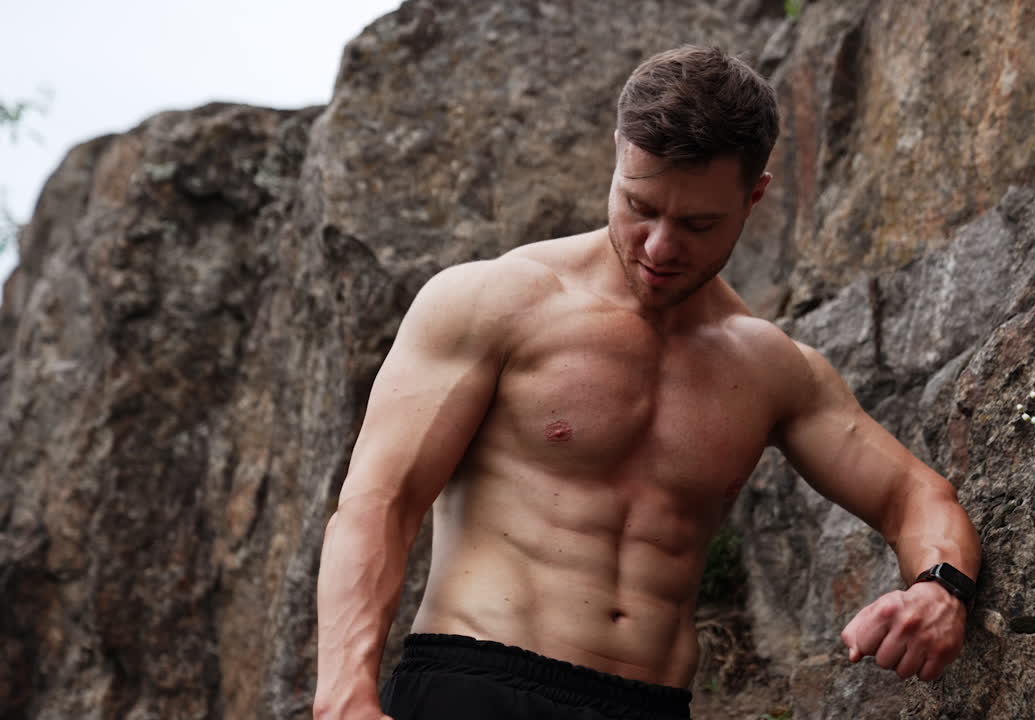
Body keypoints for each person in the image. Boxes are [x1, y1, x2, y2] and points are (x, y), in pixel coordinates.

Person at [312, 45, 981, 720]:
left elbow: (915, 495)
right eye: (640, 206)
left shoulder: (771, 369)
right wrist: (344, 693)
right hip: (476, 685)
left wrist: (940, 588)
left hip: (647, 705)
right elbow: (379, 505)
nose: (659, 247)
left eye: (697, 224)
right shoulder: (492, 302)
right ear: (618, 154)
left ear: (756, 195)